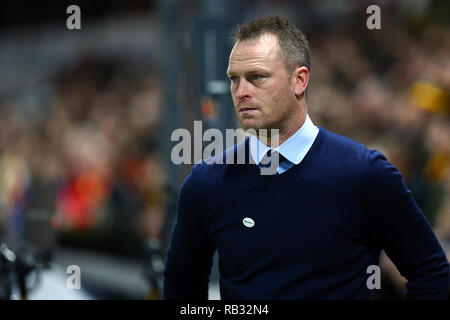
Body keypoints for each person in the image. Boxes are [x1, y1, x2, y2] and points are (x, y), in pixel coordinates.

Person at [163, 16, 449, 299]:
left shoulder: (365, 173)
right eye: (234, 79)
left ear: (299, 81)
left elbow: (431, 273)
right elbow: (181, 290)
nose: (241, 92)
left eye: (256, 77)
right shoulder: (206, 183)